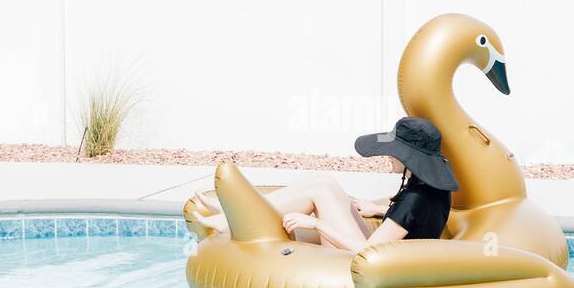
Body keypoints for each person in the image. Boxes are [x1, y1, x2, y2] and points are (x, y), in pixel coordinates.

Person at [192, 116, 458, 254]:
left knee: (320, 189)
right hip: (381, 248)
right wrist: (378, 210)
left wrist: (316, 224)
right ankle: (231, 211)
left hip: (365, 260)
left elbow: (369, 251)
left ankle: (231, 217)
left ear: (410, 157)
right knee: (323, 182)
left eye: (395, 151)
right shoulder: (430, 189)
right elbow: (412, 221)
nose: (389, 155)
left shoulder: (415, 200)